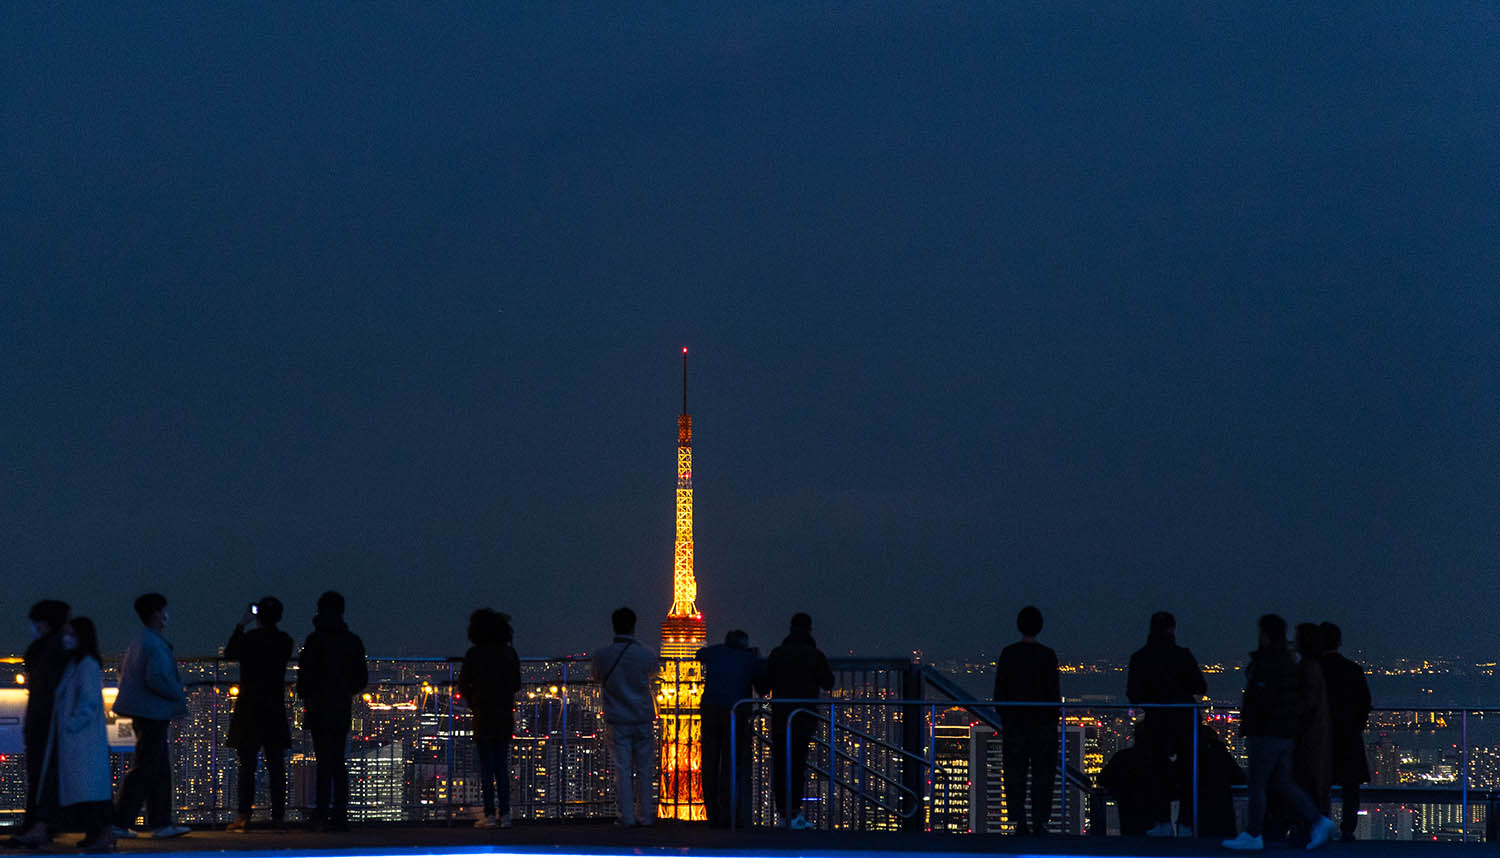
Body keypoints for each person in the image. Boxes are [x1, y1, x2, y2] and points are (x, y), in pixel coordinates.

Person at [1221, 614, 1336, 851]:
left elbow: (1264, 696)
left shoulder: (1272, 662)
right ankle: (1318, 820)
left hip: (1267, 731)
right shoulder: (1290, 663)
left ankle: (1254, 834)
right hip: (1283, 733)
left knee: (1258, 784)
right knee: (1282, 783)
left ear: (1264, 634)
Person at [111, 593, 191, 839]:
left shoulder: (138, 641)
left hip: (141, 710)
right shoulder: (154, 643)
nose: (167, 615)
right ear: (157, 613)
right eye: (165, 610)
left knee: (157, 768)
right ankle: (120, 821)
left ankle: (161, 822)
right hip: (151, 712)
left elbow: (123, 672)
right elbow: (156, 677)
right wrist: (178, 692)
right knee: (146, 767)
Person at [1125, 610, 1207, 836]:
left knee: (1156, 772)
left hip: (1156, 722)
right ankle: (1186, 823)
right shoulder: (1182, 656)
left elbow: (1133, 693)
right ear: (1172, 629)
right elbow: (1201, 686)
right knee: (1188, 772)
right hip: (1184, 721)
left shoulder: (1140, 658)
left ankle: (1161, 822)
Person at [295, 591, 368, 832]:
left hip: (319, 707)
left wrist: (309, 693)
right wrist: (345, 690)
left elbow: (304, 677)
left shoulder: (315, 640)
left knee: (323, 761)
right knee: (338, 761)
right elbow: (361, 679)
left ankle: (321, 812)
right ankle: (340, 814)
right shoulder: (352, 641)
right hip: (340, 707)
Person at [41, 618, 115, 852]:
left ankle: (101, 833)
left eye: (71, 634)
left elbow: (89, 703)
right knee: (85, 790)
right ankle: (95, 833)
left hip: (81, 739)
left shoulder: (87, 665)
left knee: (88, 790)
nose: (67, 639)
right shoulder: (77, 663)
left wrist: (70, 725)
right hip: (76, 739)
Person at [223, 597, 295, 832]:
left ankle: (243, 817)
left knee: (247, 766)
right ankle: (278, 818)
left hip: (249, 708)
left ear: (258, 616)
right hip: (274, 709)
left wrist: (242, 623)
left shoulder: (249, 639)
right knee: (276, 766)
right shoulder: (285, 641)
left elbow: (229, 654)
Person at [992, 605, 1060, 835]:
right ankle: (1040, 821)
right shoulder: (1048, 656)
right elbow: (1053, 694)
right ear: (1040, 626)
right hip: (1042, 725)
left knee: (1014, 773)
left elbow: (999, 693)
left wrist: (1007, 716)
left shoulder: (1009, 654)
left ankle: (1019, 821)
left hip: (1015, 723)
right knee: (1043, 773)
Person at [765, 612, 835, 830]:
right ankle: (794, 813)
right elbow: (828, 682)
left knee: (780, 764)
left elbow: (763, 683)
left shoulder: (778, 653)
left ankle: (783, 813)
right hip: (803, 717)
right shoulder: (814, 655)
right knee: (797, 765)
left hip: (780, 717)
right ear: (809, 629)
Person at [592, 607, 658, 828]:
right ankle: (646, 816)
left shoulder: (602, 655)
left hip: (617, 718)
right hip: (642, 717)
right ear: (634, 625)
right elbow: (653, 672)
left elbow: (597, 676)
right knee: (645, 769)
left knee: (622, 769)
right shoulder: (647, 654)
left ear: (613, 625)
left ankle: (627, 817)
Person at [11, 599, 70, 847]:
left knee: (40, 774)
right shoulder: (60, 649)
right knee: (45, 774)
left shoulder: (45, 649)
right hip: (49, 721)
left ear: (42, 623)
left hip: (42, 720)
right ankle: (42, 825)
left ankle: (38, 826)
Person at [458, 609, 521, 830]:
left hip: (483, 714)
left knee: (486, 766)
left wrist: (474, 701)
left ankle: (489, 815)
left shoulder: (474, 654)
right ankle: (505, 815)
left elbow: (463, 684)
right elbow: (516, 684)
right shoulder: (509, 654)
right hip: (504, 713)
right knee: (502, 766)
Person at [696, 629, 766, 828]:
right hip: (736, 713)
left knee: (709, 762)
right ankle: (728, 815)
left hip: (710, 711)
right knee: (731, 764)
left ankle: (712, 815)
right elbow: (762, 688)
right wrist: (758, 660)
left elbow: (699, 654)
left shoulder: (715, 652)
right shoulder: (749, 659)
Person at [1319, 622, 1371, 842]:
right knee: (1351, 786)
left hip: (1321, 736)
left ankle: (1319, 826)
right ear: (1339, 642)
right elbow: (1365, 702)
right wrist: (1356, 726)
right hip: (1349, 735)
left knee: (1319, 784)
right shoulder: (1353, 669)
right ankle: (1348, 830)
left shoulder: (1314, 669)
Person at [1293, 624, 1332, 825]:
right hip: (1314, 736)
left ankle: (1311, 825)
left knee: (1306, 782)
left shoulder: (1307, 668)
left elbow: (1305, 703)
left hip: (1306, 737)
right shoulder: (1314, 667)